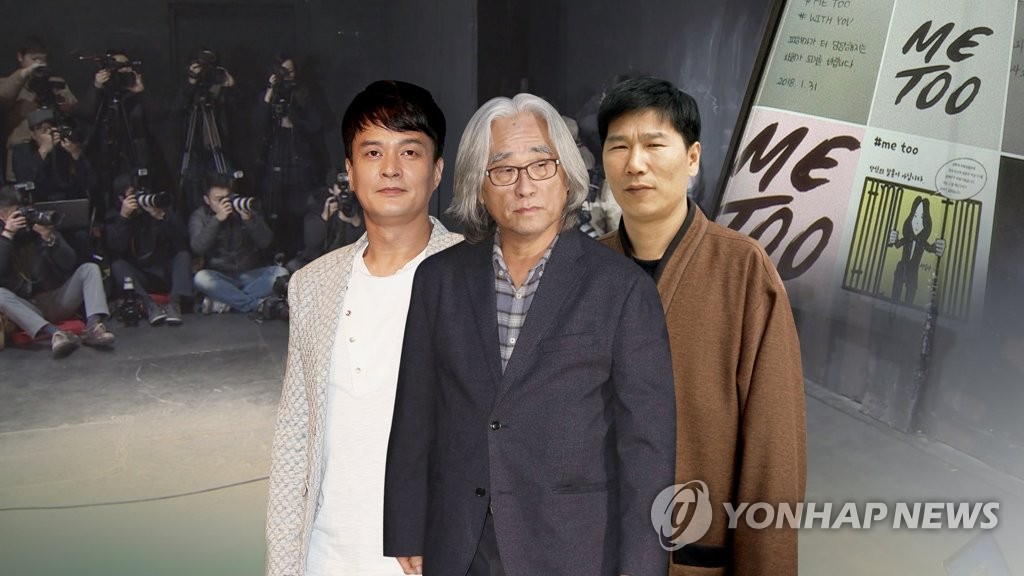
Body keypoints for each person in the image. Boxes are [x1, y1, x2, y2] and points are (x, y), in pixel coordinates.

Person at [383, 93, 676, 576]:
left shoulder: (621, 288)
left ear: (567, 176)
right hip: (462, 542)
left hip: (574, 549)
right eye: (503, 170)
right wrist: (407, 527)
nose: (524, 186)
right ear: (479, 186)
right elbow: (416, 411)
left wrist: (642, 567)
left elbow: (648, 450)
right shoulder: (439, 280)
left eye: (541, 165)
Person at [597, 76, 806, 575]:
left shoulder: (743, 271)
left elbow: (773, 450)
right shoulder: (585, 271)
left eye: (654, 145)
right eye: (619, 147)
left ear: (692, 159)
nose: (635, 164)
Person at [266, 80, 461, 576]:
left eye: (409, 151)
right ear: (351, 173)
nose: (390, 168)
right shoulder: (313, 285)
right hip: (326, 556)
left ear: (437, 170)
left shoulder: (477, 276)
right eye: (373, 152)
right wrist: (284, 563)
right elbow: (295, 436)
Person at [0, 185, 114, 357]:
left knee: (89, 269)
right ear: (3, 215)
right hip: (26, 306)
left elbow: (69, 262)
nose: (23, 217)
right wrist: (8, 235)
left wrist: (50, 238)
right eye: (17, 213)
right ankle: (56, 334)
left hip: (55, 298)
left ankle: (93, 327)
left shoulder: (37, 225)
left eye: (25, 211)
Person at [255, 54, 327, 259]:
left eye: (290, 71)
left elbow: (316, 124)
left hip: (299, 164)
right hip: (273, 163)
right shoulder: (269, 94)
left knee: (299, 211)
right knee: (275, 213)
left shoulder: (303, 93)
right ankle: (277, 255)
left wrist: (293, 121)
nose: (286, 75)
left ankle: (299, 255)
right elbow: (257, 124)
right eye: (282, 71)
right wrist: (269, 92)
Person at [189, 171, 285, 315]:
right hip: (220, 275)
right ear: (207, 200)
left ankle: (227, 302)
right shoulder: (200, 216)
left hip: (250, 274)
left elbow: (266, 242)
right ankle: (255, 304)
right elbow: (198, 247)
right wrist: (217, 220)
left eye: (228, 197)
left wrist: (250, 220)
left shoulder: (243, 207)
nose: (225, 203)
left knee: (281, 273)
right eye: (219, 199)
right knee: (201, 278)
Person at [106, 172, 192, 326]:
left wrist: (162, 217)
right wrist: (124, 218)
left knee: (183, 255)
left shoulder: (158, 207)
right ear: (121, 199)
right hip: (141, 276)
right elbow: (116, 247)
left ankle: (174, 304)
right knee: (118, 265)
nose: (139, 197)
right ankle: (149, 306)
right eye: (133, 194)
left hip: (165, 271)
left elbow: (183, 238)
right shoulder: (114, 217)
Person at [2, 37, 77, 182]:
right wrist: (25, 72)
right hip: (23, 151)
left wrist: (60, 95)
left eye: (43, 59)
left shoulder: (55, 82)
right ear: (20, 57)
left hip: (55, 154)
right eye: (34, 59)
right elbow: (4, 95)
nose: (39, 64)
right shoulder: (12, 84)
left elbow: (73, 106)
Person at [284, 171, 365, 273]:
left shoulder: (362, 207)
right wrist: (324, 218)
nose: (344, 190)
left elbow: (368, 246)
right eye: (340, 186)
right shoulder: (318, 206)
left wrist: (355, 222)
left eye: (348, 186)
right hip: (319, 263)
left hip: (348, 264)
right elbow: (311, 244)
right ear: (331, 189)